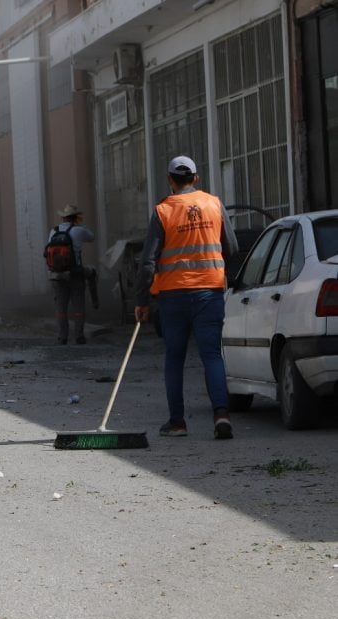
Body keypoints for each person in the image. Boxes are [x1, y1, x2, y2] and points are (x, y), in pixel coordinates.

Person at [135, 155, 238, 440]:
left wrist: (142, 300)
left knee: (175, 358)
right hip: (210, 292)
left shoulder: (163, 211)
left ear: (170, 180)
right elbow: (232, 246)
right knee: (212, 355)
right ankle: (221, 416)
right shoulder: (214, 204)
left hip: (173, 296)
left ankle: (177, 423)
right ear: (196, 178)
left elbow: (148, 262)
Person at [47, 204, 97, 344]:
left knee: (61, 307)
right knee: (78, 306)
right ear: (75, 218)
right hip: (75, 273)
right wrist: (81, 225)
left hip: (58, 275)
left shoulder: (53, 231)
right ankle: (79, 336)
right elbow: (91, 237)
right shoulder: (79, 230)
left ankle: (62, 337)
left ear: (63, 217)